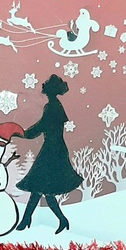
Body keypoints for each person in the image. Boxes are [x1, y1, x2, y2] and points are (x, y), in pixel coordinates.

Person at [16, 74, 83, 234]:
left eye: (46, 85)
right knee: (40, 188)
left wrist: (22, 133)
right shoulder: (55, 105)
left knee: (44, 188)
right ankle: (28, 219)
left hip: (52, 151)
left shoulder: (51, 107)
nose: (43, 86)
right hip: (54, 149)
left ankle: (38, 219)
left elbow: (41, 127)